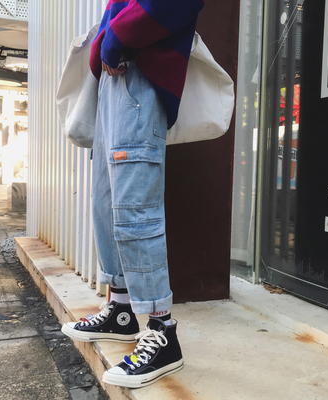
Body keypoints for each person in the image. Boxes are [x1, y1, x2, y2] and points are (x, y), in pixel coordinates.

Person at [62, 0, 205, 389]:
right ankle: (121, 309)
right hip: (115, 77)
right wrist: (106, 43)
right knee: (107, 201)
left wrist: (117, 38)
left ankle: (162, 331)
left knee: (135, 207)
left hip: (140, 73)